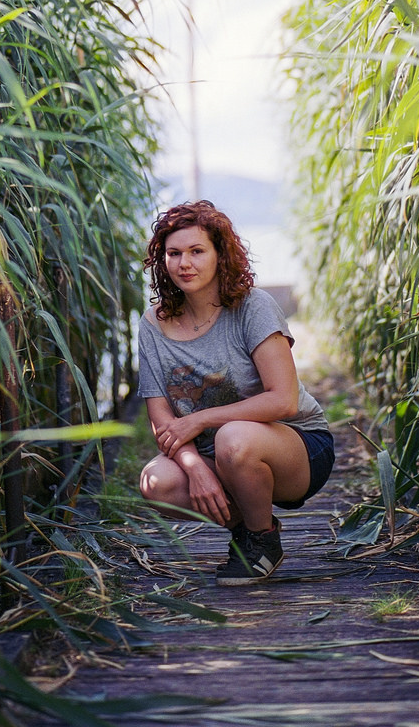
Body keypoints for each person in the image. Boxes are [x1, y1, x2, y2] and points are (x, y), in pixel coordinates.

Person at [138, 200, 335, 586]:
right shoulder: (152, 326)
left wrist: (197, 420)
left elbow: (284, 399)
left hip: (297, 447)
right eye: (174, 254)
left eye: (197, 251)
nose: (184, 264)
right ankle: (252, 525)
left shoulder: (252, 307)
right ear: (162, 261)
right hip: (221, 455)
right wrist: (195, 469)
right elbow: (162, 419)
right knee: (156, 483)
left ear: (219, 254)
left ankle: (261, 542)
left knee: (234, 436)